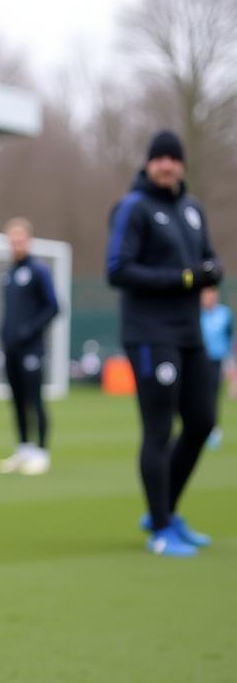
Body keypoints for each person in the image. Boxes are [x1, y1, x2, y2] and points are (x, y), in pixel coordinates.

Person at [106, 129, 224, 557]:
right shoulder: (132, 207)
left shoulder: (193, 210)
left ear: (182, 165)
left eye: (174, 159)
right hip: (149, 334)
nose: (167, 165)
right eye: (160, 158)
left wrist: (212, 270)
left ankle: (165, 509)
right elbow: (118, 270)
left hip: (190, 333)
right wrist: (185, 279)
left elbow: (207, 259)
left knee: (202, 422)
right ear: (149, 162)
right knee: (158, 430)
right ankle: (160, 529)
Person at [0, 218, 60, 476]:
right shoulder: (8, 274)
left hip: (32, 348)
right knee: (17, 400)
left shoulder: (38, 270)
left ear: (28, 241)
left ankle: (41, 453)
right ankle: (23, 450)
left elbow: (53, 306)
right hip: (10, 348)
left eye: (20, 239)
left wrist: (29, 330)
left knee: (35, 399)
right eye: (11, 240)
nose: (16, 244)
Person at [200, 286, 232, 448]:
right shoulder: (195, 314)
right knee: (195, 397)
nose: (210, 298)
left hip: (216, 361)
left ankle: (212, 430)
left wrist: (231, 365)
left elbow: (229, 338)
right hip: (197, 361)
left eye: (213, 294)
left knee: (212, 397)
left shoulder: (224, 314)